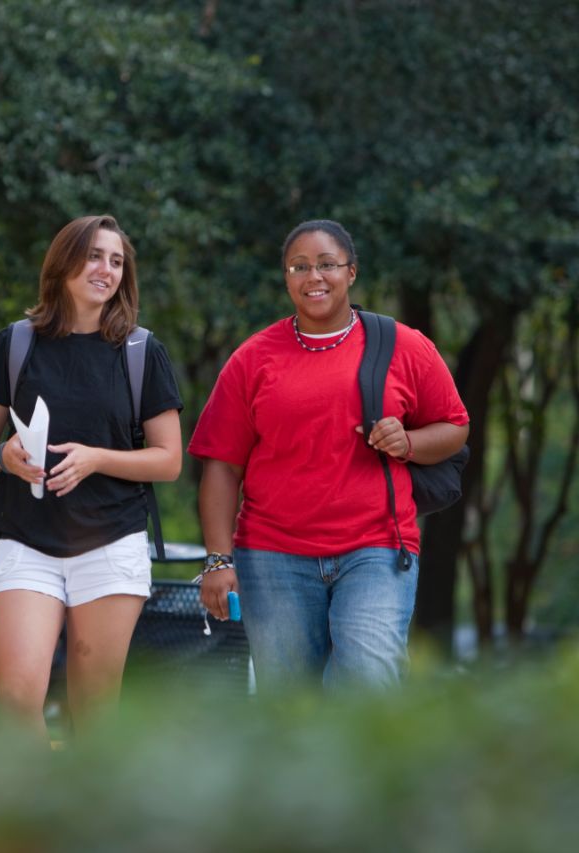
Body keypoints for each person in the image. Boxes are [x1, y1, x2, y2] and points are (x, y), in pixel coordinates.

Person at [188, 219, 468, 690]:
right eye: (299, 267)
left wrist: (410, 443)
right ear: (286, 278)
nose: (313, 277)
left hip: (376, 548)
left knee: (369, 685)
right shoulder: (253, 358)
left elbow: (455, 426)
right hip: (273, 558)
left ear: (351, 273)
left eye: (326, 265)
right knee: (291, 707)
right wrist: (218, 561)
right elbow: (221, 466)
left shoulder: (404, 345)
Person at [0, 214, 183, 737]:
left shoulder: (140, 352)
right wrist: (3, 458)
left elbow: (169, 460)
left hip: (110, 544)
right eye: (93, 256)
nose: (105, 269)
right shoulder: (15, 344)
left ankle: (90, 818)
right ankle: (37, 816)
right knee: (17, 705)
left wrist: (96, 458)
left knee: (94, 717)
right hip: (26, 542)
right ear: (63, 263)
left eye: (116, 260)